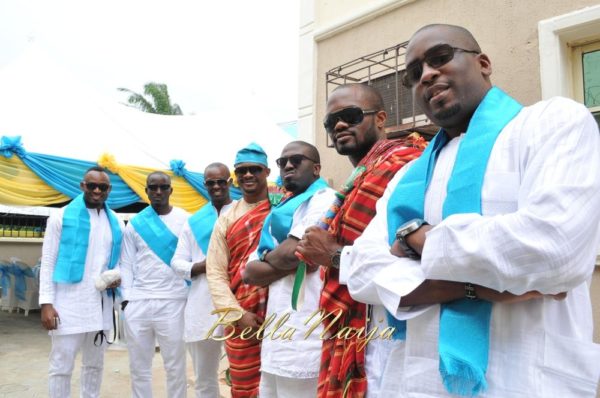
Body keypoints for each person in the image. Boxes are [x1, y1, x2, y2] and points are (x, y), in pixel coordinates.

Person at [346, 24, 600, 397]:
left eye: (440, 58)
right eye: (414, 74)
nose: (427, 75)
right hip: (415, 382)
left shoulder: (553, 124)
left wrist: (414, 238)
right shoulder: (406, 176)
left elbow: (554, 249)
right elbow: (360, 271)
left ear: (483, 63)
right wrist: (471, 286)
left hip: (522, 379)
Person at [295, 84, 425, 397]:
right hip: (351, 323)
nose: (339, 125)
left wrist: (334, 256)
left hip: (391, 326)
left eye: (350, 116)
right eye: (331, 123)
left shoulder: (408, 164)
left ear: (380, 118)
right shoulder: (360, 177)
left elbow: (410, 253)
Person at [243, 141, 337, 398]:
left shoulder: (325, 199)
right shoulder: (280, 211)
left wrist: (273, 258)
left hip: (305, 330)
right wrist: (290, 260)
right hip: (277, 332)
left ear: (316, 168)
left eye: (296, 160)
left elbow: (293, 253)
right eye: (282, 162)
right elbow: (249, 273)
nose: (288, 165)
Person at [39, 166, 124, 398]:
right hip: (67, 304)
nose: (97, 190)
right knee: (61, 365)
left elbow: (121, 262)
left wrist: (117, 277)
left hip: (101, 305)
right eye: (92, 185)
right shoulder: (61, 216)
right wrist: (46, 303)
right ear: (82, 186)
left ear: (109, 190)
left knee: (95, 364)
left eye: (103, 187)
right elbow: (48, 261)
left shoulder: (115, 220)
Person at [206, 142, 272, 398]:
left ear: (266, 172)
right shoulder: (227, 218)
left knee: (285, 382)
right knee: (245, 387)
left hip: (280, 312)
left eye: (254, 169)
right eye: (241, 170)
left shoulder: (282, 206)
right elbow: (215, 272)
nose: (247, 175)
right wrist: (237, 314)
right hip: (241, 317)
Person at [120, 171, 189, 398]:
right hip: (138, 303)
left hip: (173, 302)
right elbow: (127, 263)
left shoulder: (185, 219)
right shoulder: (136, 224)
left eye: (163, 187)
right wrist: (127, 301)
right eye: (153, 187)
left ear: (171, 190)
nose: (158, 192)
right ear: (146, 190)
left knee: (175, 366)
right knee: (139, 367)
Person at [171, 162, 236, 398]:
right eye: (211, 182)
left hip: (238, 300)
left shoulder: (244, 212)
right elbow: (177, 262)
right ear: (205, 185)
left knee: (244, 374)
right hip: (202, 304)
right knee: (204, 377)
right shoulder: (194, 221)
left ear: (229, 182)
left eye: (221, 181)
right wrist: (202, 266)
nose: (217, 186)